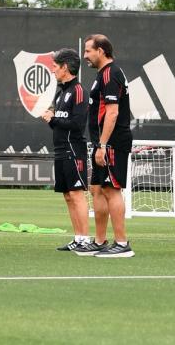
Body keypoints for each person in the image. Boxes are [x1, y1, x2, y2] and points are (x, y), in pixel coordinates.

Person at [78, 34, 134, 258]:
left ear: (101, 51)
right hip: (101, 143)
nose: (85, 56)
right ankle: (100, 241)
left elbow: (112, 112)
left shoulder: (111, 73)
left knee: (112, 189)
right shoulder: (102, 75)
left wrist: (102, 145)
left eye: (88, 51)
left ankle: (122, 244)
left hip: (111, 142)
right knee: (97, 190)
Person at [38, 49, 91, 252]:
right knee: (68, 195)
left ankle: (86, 239)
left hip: (73, 150)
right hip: (60, 150)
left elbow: (77, 124)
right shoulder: (62, 92)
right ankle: (78, 237)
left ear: (65, 67)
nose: (52, 70)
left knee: (77, 194)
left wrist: (54, 118)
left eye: (55, 66)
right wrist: (51, 119)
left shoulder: (78, 91)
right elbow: (59, 124)